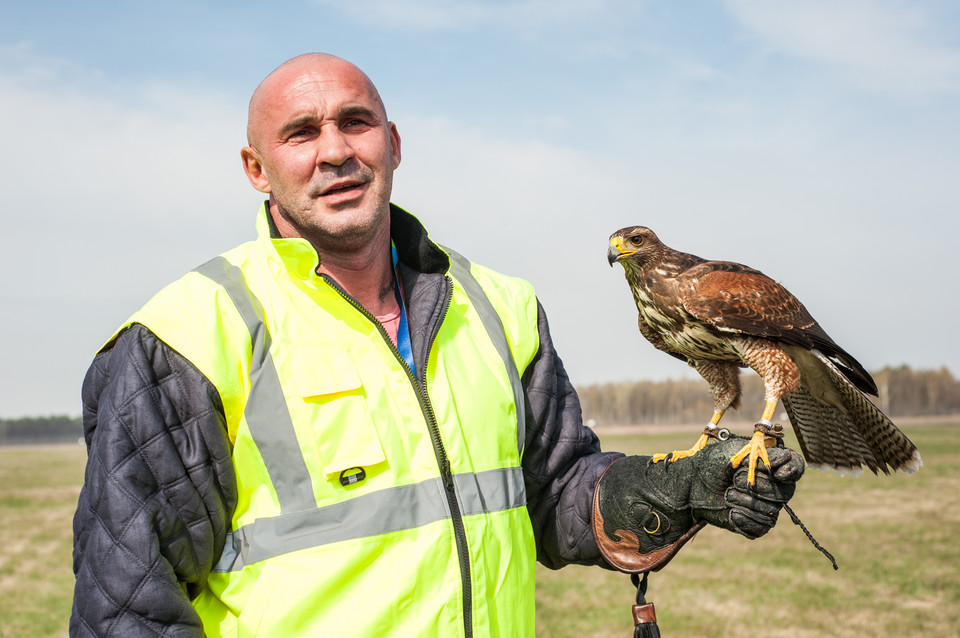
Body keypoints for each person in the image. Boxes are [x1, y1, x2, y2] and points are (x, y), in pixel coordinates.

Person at [71, 53, 804, 637]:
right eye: (301, 133)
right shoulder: (186, 335)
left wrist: (662, 492)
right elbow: (127, 601)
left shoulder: (498, 307)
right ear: (256, 169)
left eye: (356, 123)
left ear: (391, 144)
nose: (334, 152)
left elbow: (551, 493)